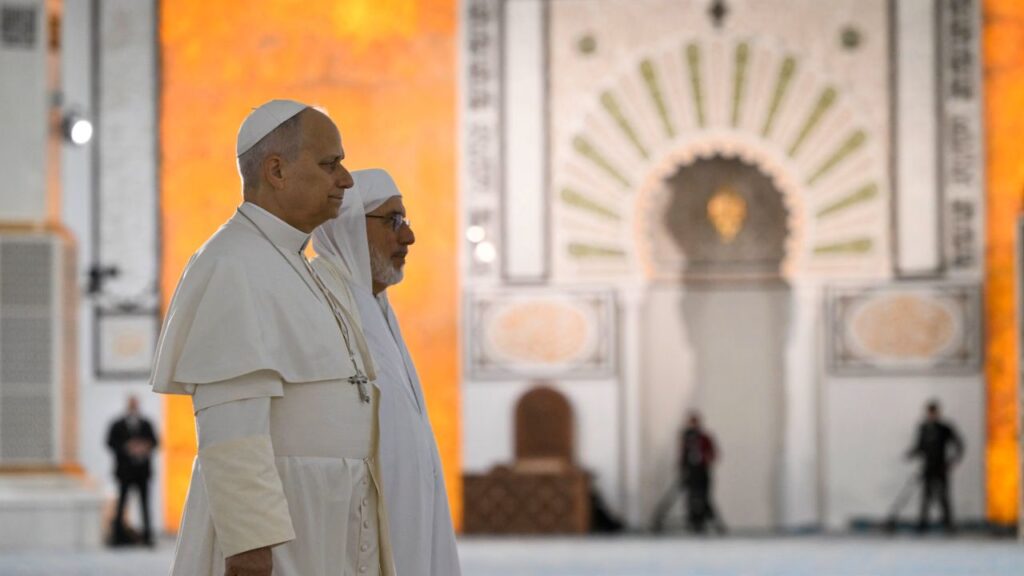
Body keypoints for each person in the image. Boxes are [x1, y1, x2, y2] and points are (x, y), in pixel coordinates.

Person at [150, 99, 395, 576]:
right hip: (281, 527)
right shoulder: (232, 265)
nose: (345, 180)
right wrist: (250, 550)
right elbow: (232, 436)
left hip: (329, 512)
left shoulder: (303, 265)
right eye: (330, 164)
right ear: (277, 170)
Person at [313, 169, 461, 576]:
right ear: (347, 226)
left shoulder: (378, 310)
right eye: (393, 220)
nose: (408, 237)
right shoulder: (318, 305)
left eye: (406, 221)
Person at [106, 395, 158, 546]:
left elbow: (155, 442)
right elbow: (110, 442)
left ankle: (147, 536)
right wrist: (126, 447)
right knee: (122, 503)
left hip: (142, 472)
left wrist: (144, 447)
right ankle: (118, 537)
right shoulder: (117, 424)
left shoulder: (146, 423)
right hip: (124, 472)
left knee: (145, 504)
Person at [906, 399, 964, 533]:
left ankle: (948, 525)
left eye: (934, 412)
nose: (932, 415)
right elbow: (920, 446)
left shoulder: (945, 428)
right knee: (926, 496)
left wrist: (953, 461)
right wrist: (912, 453)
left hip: (941, 466)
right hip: (927, 466)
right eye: (930, 412)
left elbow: (959, 444)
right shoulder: (923, 428)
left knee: (943, 496)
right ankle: (923, 524)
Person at [679, 411, 724, 534]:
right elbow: (683, 454)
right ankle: (695, 523)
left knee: (704, 497)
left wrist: (706, 459)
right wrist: (683, 469)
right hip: (691, 471)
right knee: (692, 498)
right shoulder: (686, 437)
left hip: (702, 470)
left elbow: (713, 453)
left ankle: (710, 521)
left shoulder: (704, 437)